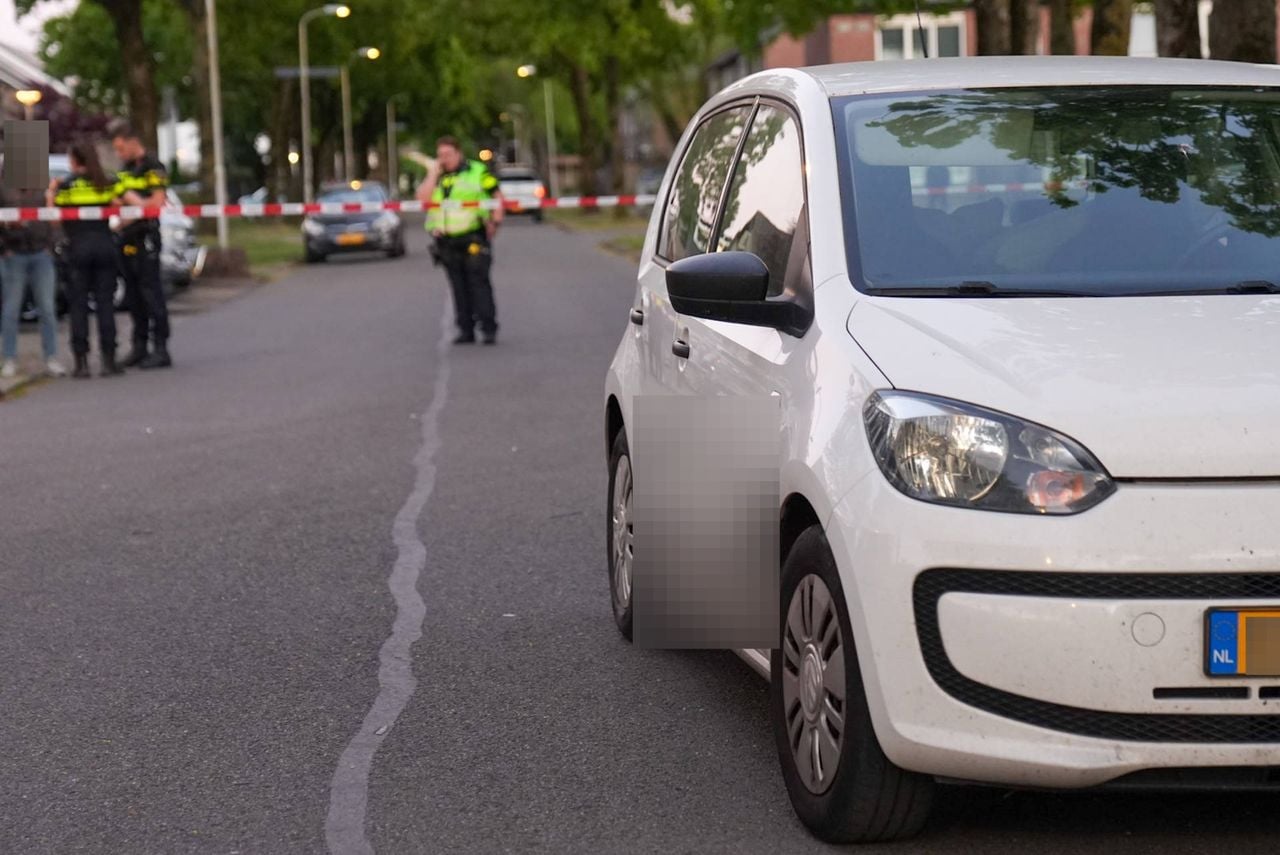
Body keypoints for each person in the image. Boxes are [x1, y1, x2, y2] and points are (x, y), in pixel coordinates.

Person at [416, 136, 504, 345]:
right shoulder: (437, 176)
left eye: (447, 155)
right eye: (440, 155)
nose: (444, 159)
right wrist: (431, 174)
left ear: (458, 153)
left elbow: (496, 195)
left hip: (473, 235)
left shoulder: (477, 171)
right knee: (458, 286)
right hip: (447, 240)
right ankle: (466, 329)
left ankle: (488, 328)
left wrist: (496, 221)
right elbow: (423, 199)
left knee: (478, 283)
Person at [48, 140, 124, 378]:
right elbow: (119, 209)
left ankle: (81, 362)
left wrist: (51, 193)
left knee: (78, 306)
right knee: (105, 304)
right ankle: (109, 361)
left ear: (74, 160)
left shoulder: (67, 186)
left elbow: (54, 220)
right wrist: (111, 231)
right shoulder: (107, 183)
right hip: (103, 245)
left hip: (77, 247)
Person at [112, 123, 172, 368]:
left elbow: (156, 203)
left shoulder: (154, 167)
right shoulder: (126, 169)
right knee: (133, 294)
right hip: (126, 235)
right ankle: (139, 345)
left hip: (146, 235)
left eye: (121, 148)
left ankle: (160, 348)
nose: (119, 153)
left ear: (133, 141)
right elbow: (117, 200)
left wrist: (131, 201)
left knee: (151, 291)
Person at [0, 184, 67, 379]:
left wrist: (51, 246)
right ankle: (9, 358)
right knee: (11, 310)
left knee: (47, 308)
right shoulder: (4, 188)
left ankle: (51, 357)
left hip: (40, 252)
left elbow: (52, 216)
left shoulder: (42, 187)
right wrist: (4, 248)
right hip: (14, 252)